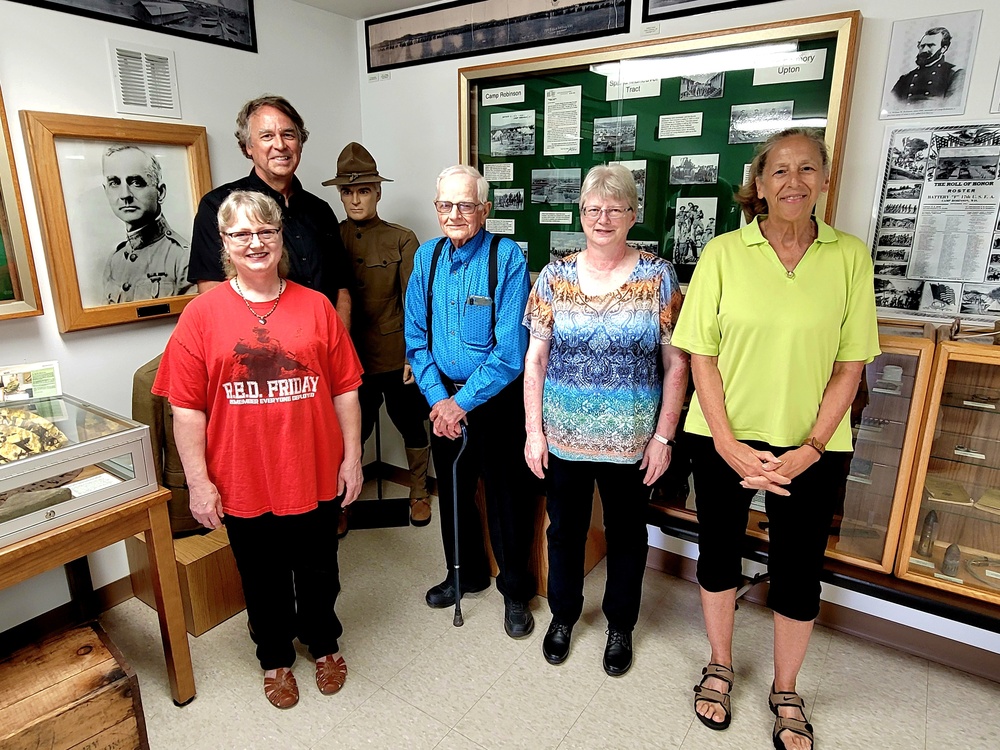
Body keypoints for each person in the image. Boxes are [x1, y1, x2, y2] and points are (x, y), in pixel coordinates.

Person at [671, 128, 879, 750]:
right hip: (721, 438)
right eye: (779, 171)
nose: (793, 181)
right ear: (757, 185)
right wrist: (731, 445)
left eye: (806, 169)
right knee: (716, 557)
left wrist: (810, 449)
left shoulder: (849, 257)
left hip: (811, 445)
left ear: (822, 180)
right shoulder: (723, 255)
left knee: (799, 571)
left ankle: (786, 688)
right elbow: (700, 354)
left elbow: (851, 367)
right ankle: (720, 664)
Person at [153, 190, 363, 710]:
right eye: (242, 234)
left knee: (320, 570)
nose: (255, 243)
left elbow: (346, 390)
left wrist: (353, 458)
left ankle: (324, 644)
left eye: (266, 231)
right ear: (224, 243)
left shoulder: (316, 307)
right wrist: (199, 483)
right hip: (243, 479)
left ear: (280, 237)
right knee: (262, 577)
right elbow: (186, 408)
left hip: (314, 471)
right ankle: (273, 658)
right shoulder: (201, 316)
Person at [523, 164, 687, 677]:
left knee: (627, 535)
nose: (603, 218)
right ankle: (564, 615)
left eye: (615, 209)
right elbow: (535, 359)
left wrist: (664, 437)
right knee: (565, 531)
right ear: (581, 214)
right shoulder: (554, 277)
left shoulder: (658, 277)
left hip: (632, 441)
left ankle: (620, 624)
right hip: (563, 436)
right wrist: (533, 430)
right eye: (593, 209)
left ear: (633, 215)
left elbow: (676, 362)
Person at [404, 164, 536, 638]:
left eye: (465, 204)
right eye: (445, 204)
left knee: (507, 499)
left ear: (486, 208)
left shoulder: (507, 257)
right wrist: (440, 399)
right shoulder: (428, 258)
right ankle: (465, 574)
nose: (454, 213)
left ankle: (516, 591)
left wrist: (462, 403)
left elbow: (510, 351)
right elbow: (416, 340)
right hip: (441, 397)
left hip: (495, 401)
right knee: (455, 493)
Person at [323, 142, 432, 526]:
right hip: (350, 359)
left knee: (411, 421)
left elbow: (415, 304)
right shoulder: (329, 237)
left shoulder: (401, 239)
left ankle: (419, 490)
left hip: (394, 353)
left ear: (378, 192)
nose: (355, 199)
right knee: (350, 432)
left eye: (363, 190)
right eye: (347, 192)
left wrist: (413, 357)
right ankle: (342, 501)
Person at [187, 95, 352, 327]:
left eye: (288, 134)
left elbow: (341, 287)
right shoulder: (218, 206)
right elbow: (212, 293)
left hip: (325, 345)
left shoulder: (321, 210)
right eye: (267, 136)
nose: (280, 145)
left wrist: (338, 345)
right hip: (263, 347)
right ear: (248, 147)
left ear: (300, 143)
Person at [101, 145, 193, 304]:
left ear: (161, 192)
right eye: (115, 183)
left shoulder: (183, 257)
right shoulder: (115, 260)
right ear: (106, 191)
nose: (125, 195)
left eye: (136, 182)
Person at [890, 27, 964, 107]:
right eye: (922, 46)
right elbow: (891, 105)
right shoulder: (906, 78)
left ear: (943, 48)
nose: (924, 50)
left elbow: (951, 107)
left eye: (930, 45)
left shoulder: (954, 74)